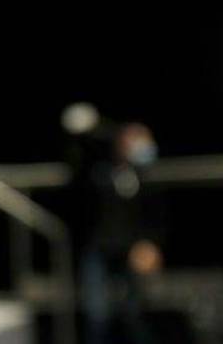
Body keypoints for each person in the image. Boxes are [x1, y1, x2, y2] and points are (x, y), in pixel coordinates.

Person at [71, 121, 164, 344]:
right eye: (135, 140)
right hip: (99, 248)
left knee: (134, 313)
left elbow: (155, 216)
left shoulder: (145, 177)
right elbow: (78, 171)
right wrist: (86, 133)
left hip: (132, 250)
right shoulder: (99, 170)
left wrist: (150, 244)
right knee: (97, 314)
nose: (141, 146)